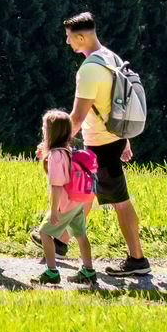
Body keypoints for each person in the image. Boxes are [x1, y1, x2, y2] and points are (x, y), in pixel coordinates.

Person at [60, 12, 151, 276]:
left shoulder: (88, 70)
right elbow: (120, 102)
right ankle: (60, 240)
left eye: (69, 38)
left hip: (100, 144)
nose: (67, 43)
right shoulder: (111, 58)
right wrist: (125, 140)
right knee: (83, 192)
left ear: (80, 36)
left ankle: (137, 260)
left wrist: (55, 143)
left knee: (119, 201)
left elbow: (77, 116)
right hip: (110, 139)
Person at [34, 109, 98, 285]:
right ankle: (88, 270)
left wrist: (54, 211)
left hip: (65, 204)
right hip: (78, 201)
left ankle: (52, 272)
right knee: (80, 234)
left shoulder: (55, 155)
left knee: (44, 233)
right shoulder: (67, 150)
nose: (43, 130)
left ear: (51, 132)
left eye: (45, 127)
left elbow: (56, 186)